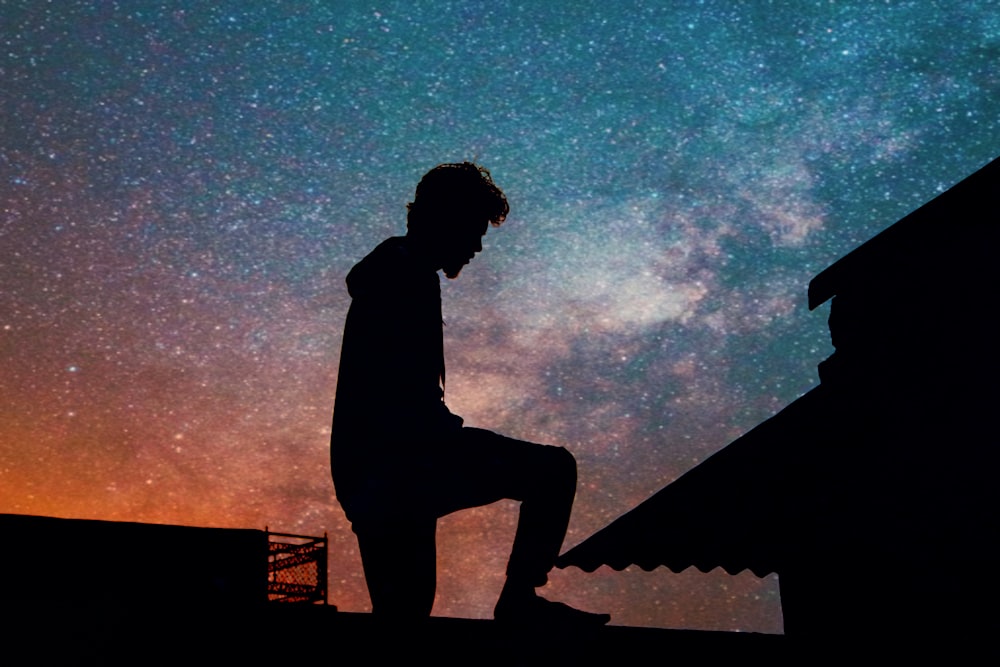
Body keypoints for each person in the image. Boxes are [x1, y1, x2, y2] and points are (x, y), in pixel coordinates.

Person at [330, 162, 609, 626]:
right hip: (403, 465)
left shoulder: (403, 271)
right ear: (444, 219)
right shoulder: (404, 272)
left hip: (374, 476)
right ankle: (519, 599)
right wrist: (441, 441)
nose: (478, 246)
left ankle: (518, 599)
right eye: (473, 230)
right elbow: (399, 395)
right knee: (552, 470)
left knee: (405, 617)